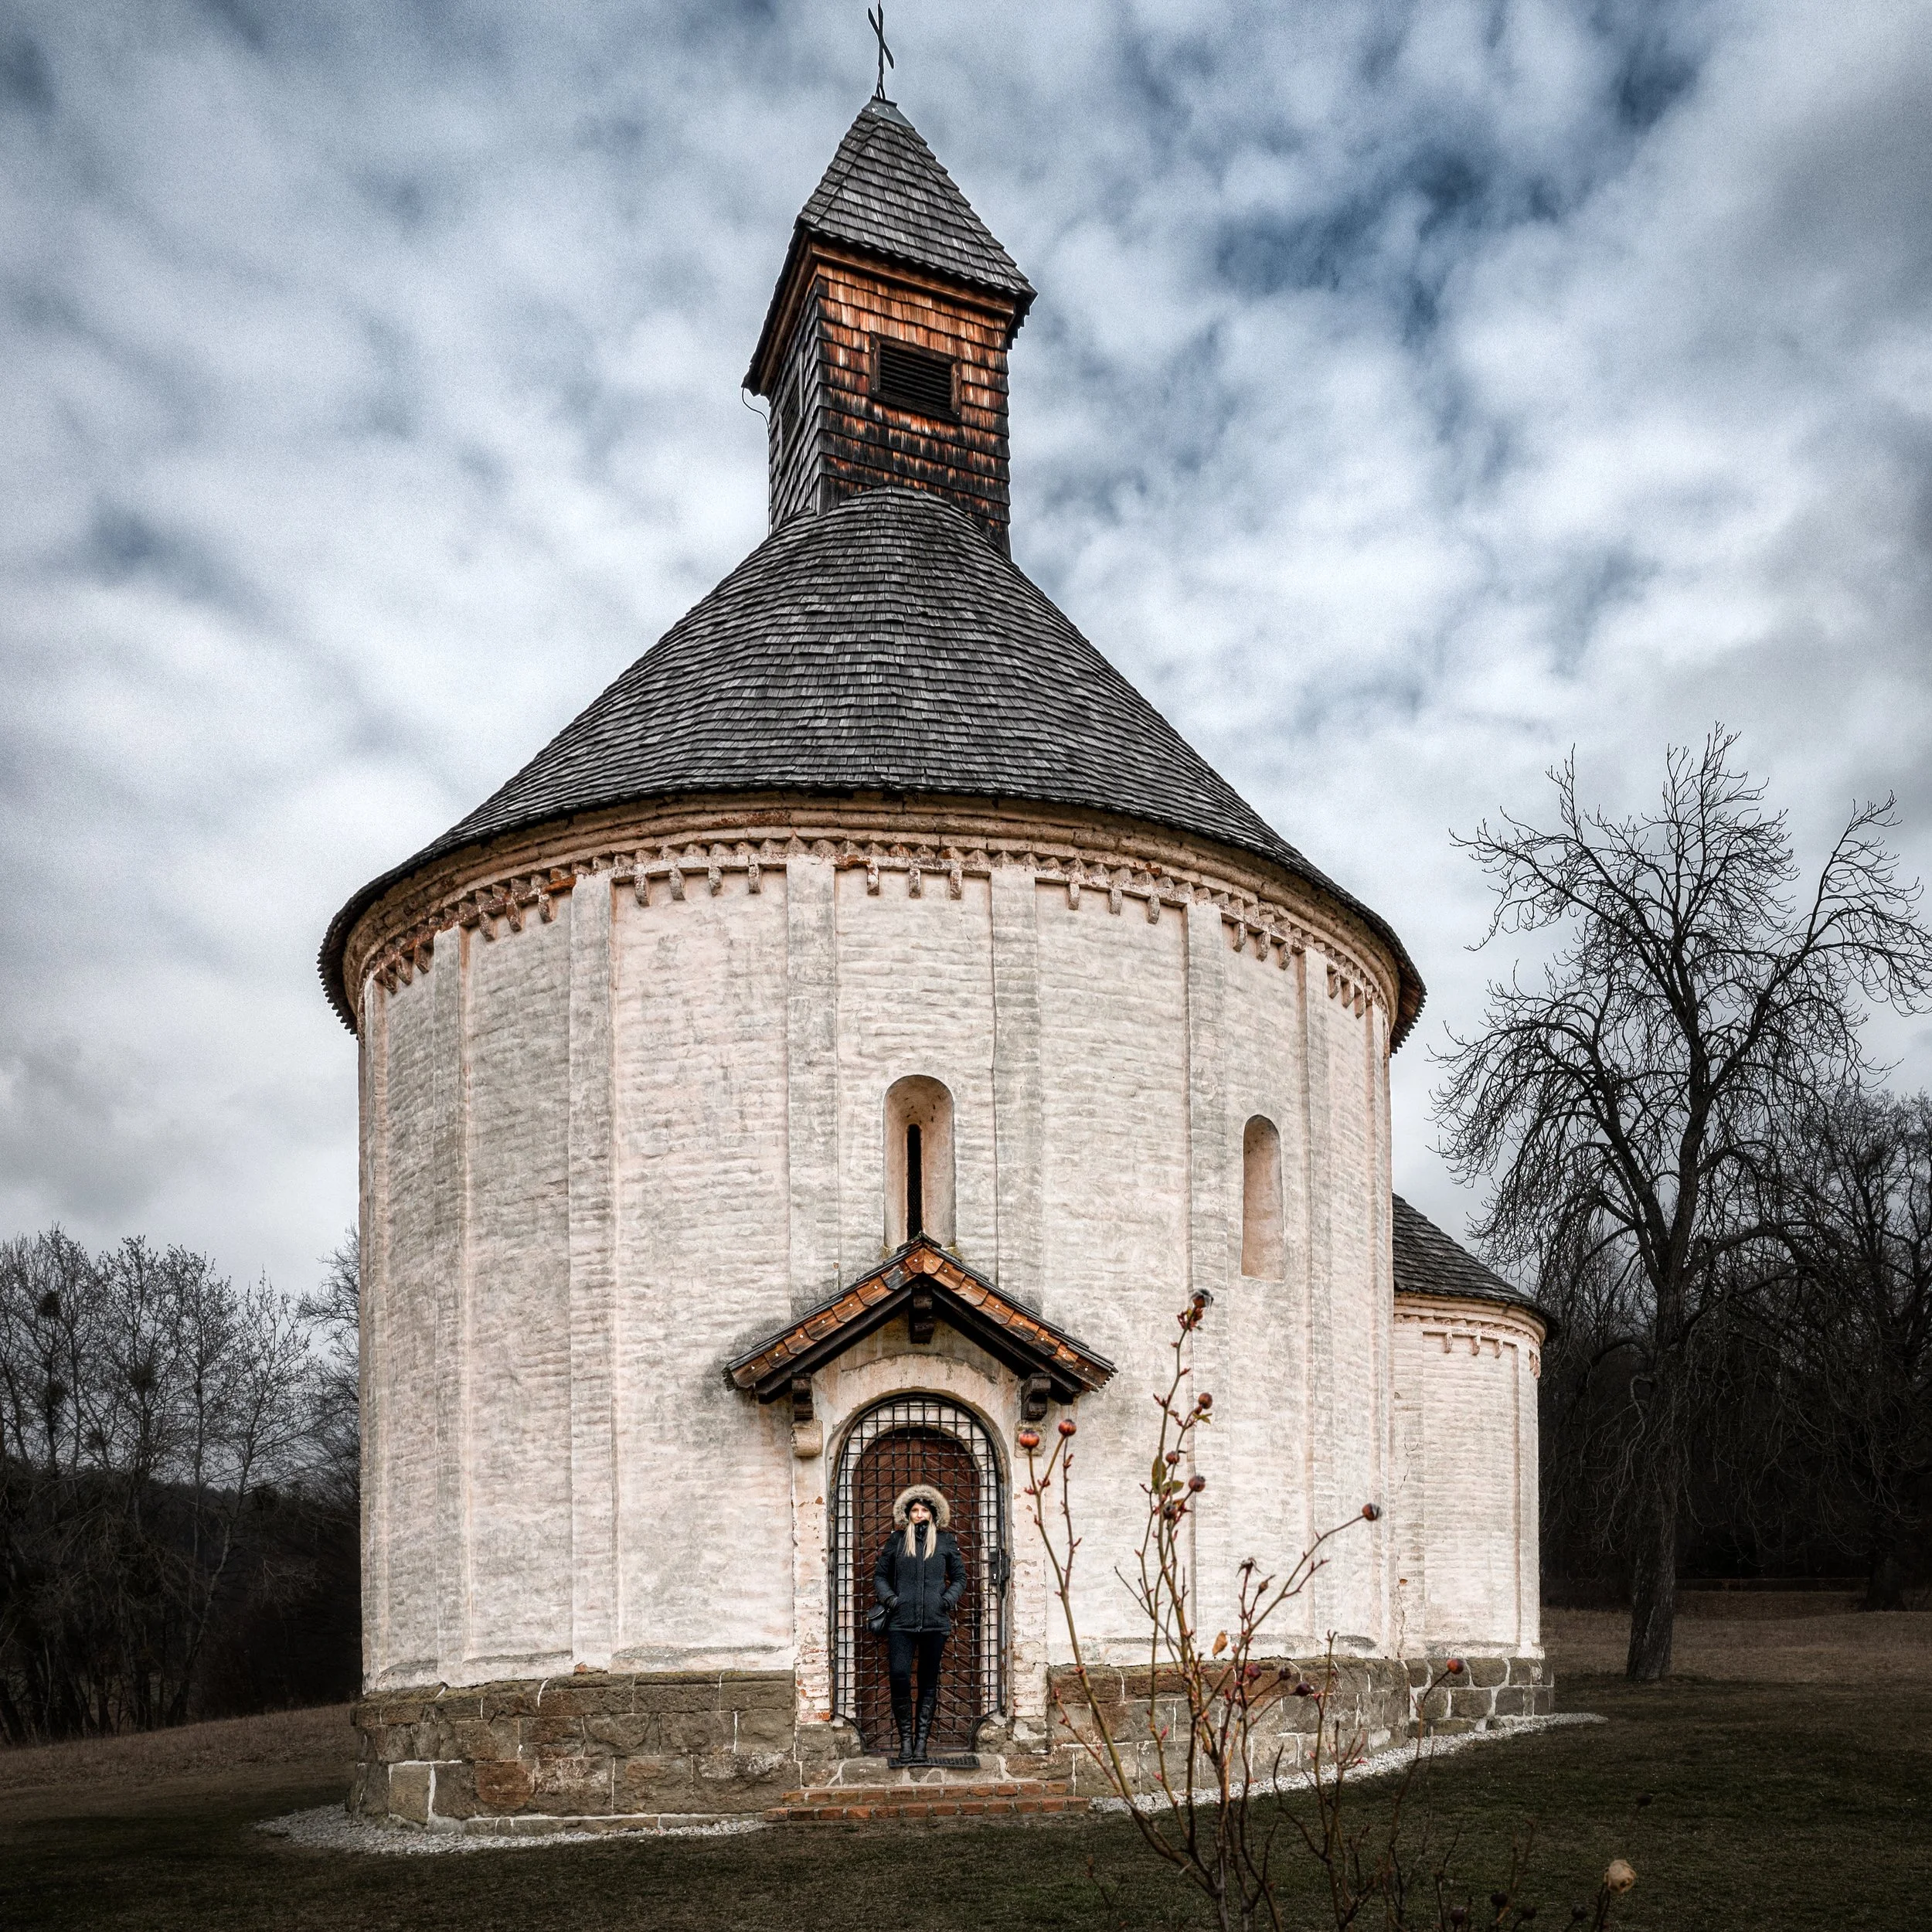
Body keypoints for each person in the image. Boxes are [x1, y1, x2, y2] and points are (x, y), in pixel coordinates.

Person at [872, 1482, 966, 1763]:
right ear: (908, 1514)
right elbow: (880, 1576)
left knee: (927, 1681)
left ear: (933, 1514)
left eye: (925, 1510)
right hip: (901, 1623)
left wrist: (945, 1601)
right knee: (899, 1677)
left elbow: (960, 1578)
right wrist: (892, 1600)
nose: (920, 1514)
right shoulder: (897, 1541)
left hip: (935, 1624)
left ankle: (921, 1745)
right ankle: (905, 1744)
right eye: (915, 1510)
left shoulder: (946, 1542)